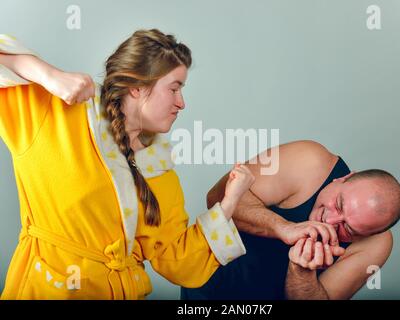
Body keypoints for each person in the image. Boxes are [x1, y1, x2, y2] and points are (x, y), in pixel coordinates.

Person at [0, 30, 255, 300]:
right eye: (174, 88)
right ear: (137, 86)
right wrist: (48, 75)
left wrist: (229, 203)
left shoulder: (161, 172)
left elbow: (177, 262)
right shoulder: (57, 112)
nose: (181, 103)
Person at [182, 140, 400, 299]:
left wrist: (302, 272)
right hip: (209, 287)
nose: (330, 220)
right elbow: (216, 198)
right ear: (344, 177)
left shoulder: (377, 244)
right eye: (339, 204)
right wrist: (284, 228)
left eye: (347, 228)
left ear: (368, 234)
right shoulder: (309, 162)